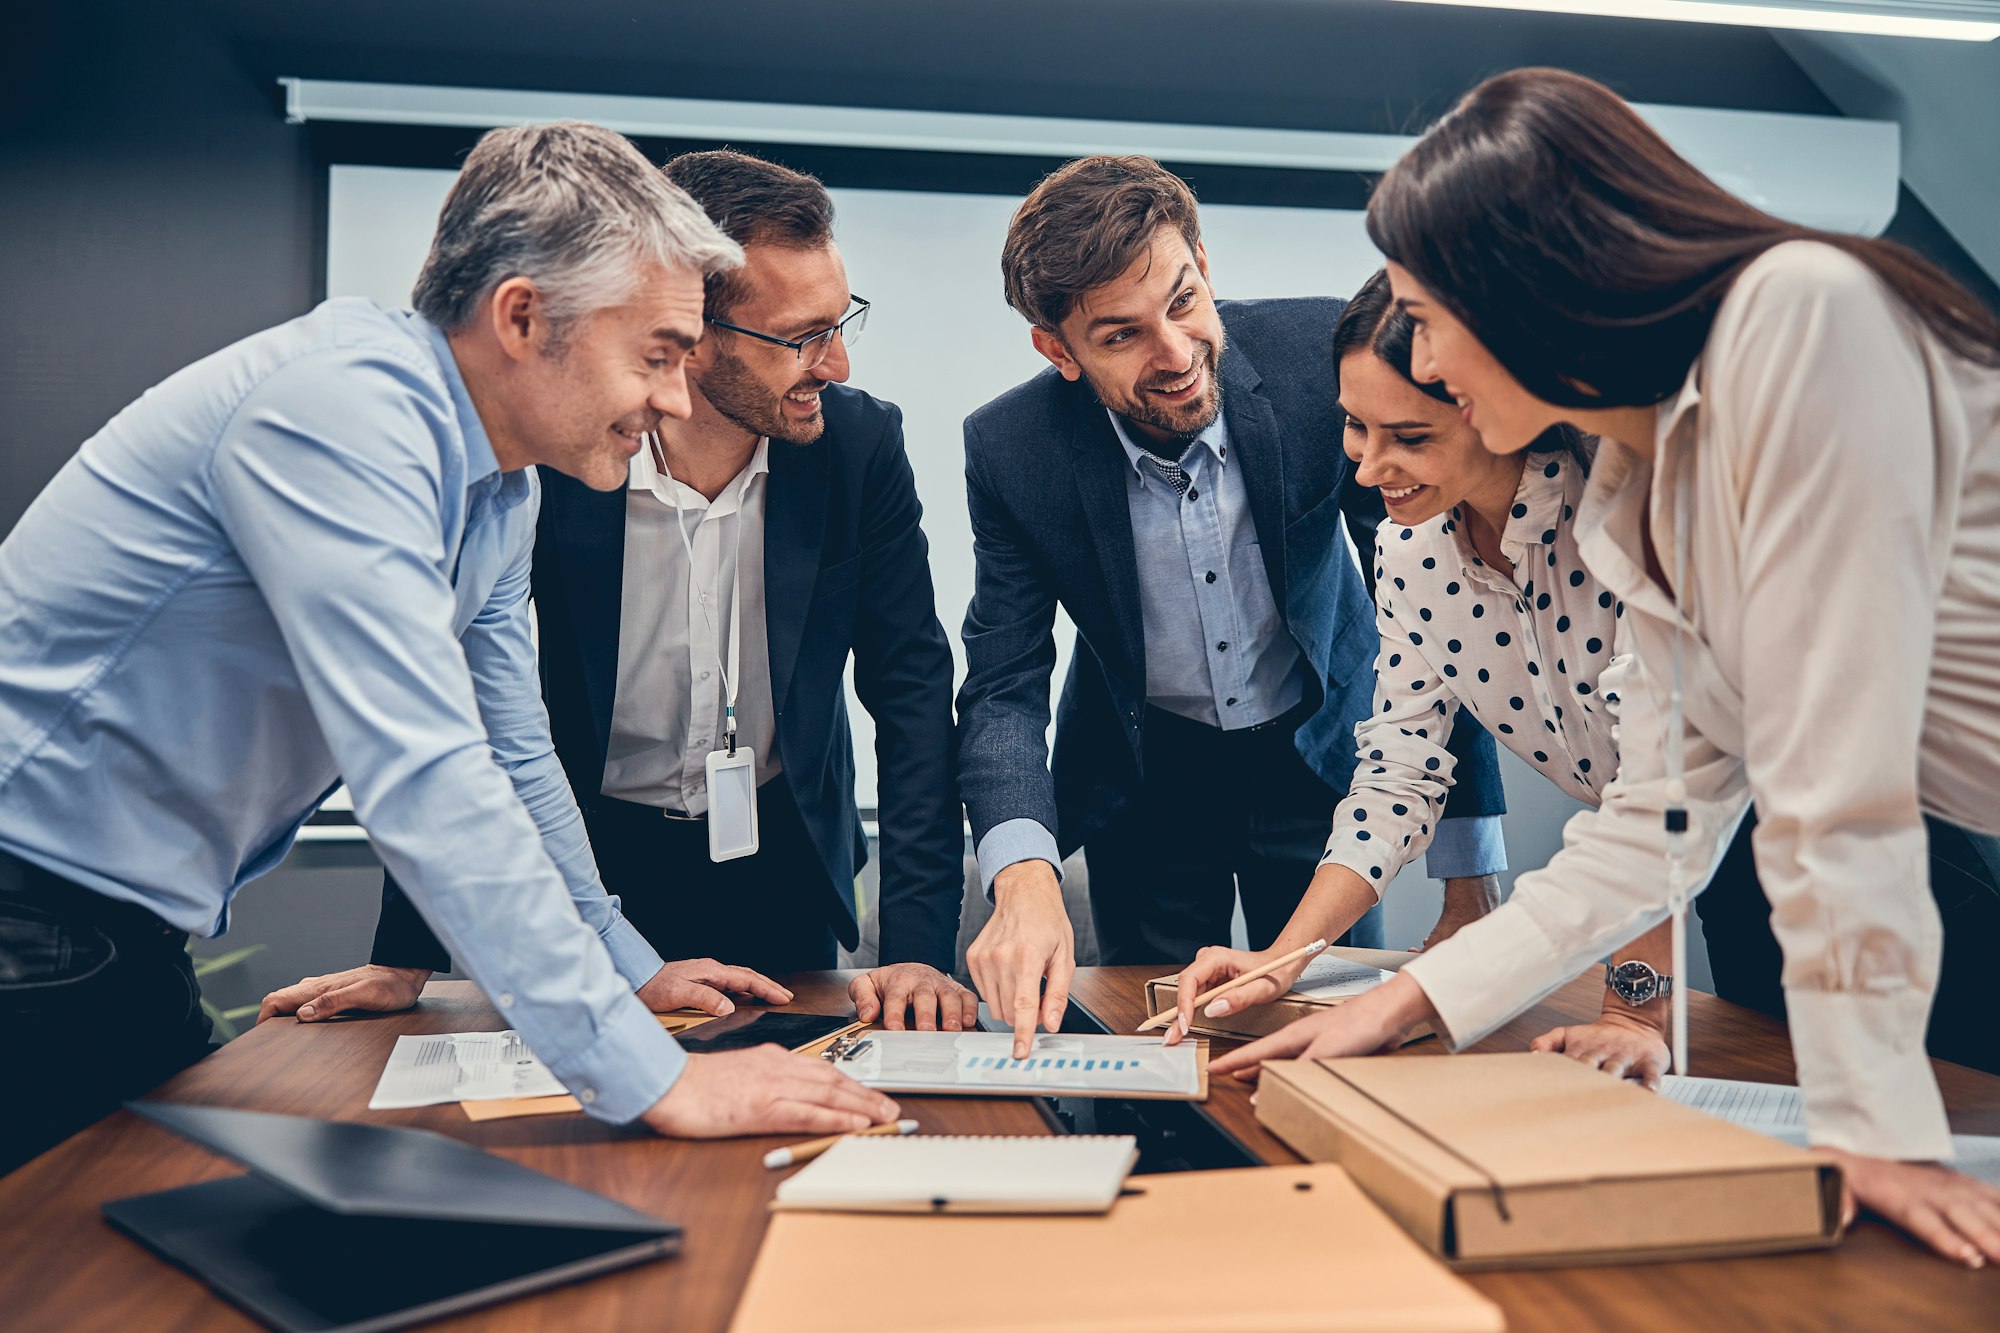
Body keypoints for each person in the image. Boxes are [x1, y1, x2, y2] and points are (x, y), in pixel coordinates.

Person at [0, 122, 897, 1177]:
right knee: (93, 1251)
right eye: (656, 353)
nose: (669, 396)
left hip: (109, 929)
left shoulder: (497, 484)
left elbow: (515, 754)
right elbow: (425, 771)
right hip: (30, 917)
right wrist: (654, 1079)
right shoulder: (341, 415)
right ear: (523, 317)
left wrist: (625, 969)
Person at [1214, 69, 2000, 1267]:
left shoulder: (1798, 316)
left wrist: (1872, 1124)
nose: (1422, 358)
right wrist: (1402, 998)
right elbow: (1658, 816)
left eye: (1425, 316)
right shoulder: (1632, 494)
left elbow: (1833, 793)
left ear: (1523, 287)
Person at [1166, 270, 2000, 1084]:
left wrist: (1633, 1010)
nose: (1368, 465)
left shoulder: (1629, 516)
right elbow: (1397, 776)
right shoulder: (1409, 555)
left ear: (1493, 408)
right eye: (1354, 426)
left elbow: (1658, 788)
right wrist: (1284, 957)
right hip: (1703, 873)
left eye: (1410, 436)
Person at [262, 150, 973, 1034]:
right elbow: (474, 709)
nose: (837, 366)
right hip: (590, 861)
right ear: (691, 331)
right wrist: (405, 955)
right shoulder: (565, 449)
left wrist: (915, 947)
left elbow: (910, 692)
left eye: (842, 323)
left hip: (782, 855)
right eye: (802, 337)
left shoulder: (856, 447)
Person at [956, 155, 1507, 1057]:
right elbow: (1003, 682)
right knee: (1156, 1053)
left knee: (1331, 1045)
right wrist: (1023, 873)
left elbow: (1448, 595)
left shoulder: (1314, 364)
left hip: (1321, 752)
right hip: (1148, 783)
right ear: (1058, 351)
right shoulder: (1013, 449)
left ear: (1205, 270)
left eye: (1181, 301)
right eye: (1120, 335)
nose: (1173, 355)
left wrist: (1469, 870)